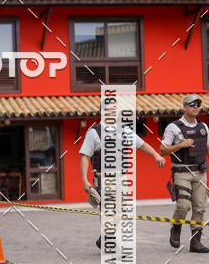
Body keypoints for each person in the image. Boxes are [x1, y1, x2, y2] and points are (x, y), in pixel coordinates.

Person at [80, 120, 165, 248]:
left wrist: (156, 155)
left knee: (120, 212)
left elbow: (141, 145)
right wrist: (84, 179)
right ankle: (109, 243)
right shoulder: (94, 132)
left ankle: (104, 239)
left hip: (121, 178)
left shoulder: (124, 131)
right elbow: (85, 156)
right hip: (103, 177)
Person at [160, 94, 209, 252]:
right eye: (192, 104)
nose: (196, 107)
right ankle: (176, 228)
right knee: (183, 205)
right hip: (182, 172)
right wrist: (181, 144)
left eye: (198, 104)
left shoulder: (204, 127)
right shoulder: (173, 127)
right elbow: (163, 149)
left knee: (200, 207)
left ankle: (195, 242)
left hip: (200, 172)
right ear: (185, 107)